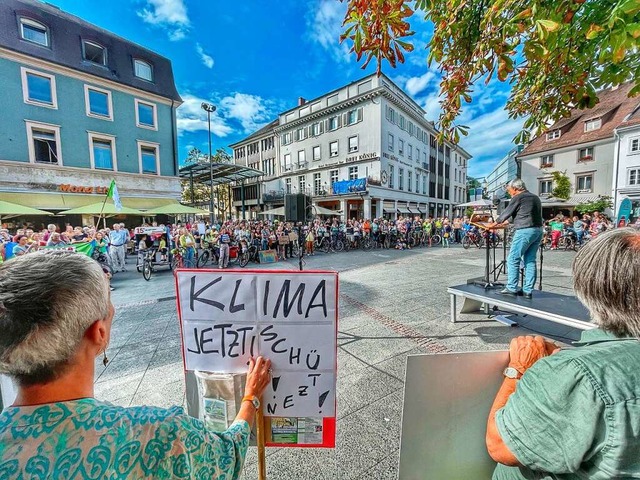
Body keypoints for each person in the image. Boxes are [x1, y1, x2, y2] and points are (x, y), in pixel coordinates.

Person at [0, 250, 272, 479]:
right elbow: (226, 458)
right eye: (108, 300)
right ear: (99, 333)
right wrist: (250, 398)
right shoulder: (161, 434)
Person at [486, 228, 640, 479]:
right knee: (529, 258)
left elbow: (500, 447)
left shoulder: (579, 374)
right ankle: (525, 286)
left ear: (589, 286)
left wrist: (518, 370)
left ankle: (512, 285)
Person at [486, 179, 543, 299]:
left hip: (524, 231)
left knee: (513, 259)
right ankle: (528, 290)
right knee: (530, 260)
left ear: (516, 188)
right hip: (537, 230)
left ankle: (511, 288)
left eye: (509, 190)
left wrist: (492, 225)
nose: (509, 192)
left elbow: (506, 213)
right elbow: (515, 217)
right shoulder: (535, 198)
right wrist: (501, 225)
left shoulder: (518, 197)